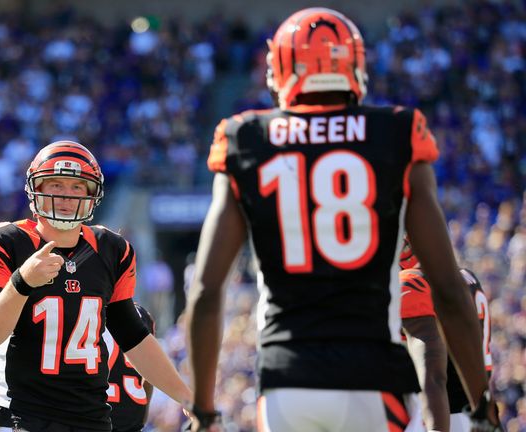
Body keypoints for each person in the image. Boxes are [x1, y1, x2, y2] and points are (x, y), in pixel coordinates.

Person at [184, 7, 501, 432]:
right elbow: (446, 288)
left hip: (287, 378)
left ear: (279, 69)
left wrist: (205, 410)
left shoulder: (245, 138)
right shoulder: (398, 132)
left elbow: (206, 290)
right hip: (372, 375)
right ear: (355, 65)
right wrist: (483, 408)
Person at [0, 141, 191, 431]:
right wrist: (21, 283)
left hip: (90, 419)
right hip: (21, 417)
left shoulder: (113, 249)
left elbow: (133, 337)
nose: (66, 196)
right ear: (36, 188)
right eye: (56, 185)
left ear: (91, 194)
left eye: (77, 187)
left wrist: (187, 398)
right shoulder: (2, 243)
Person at [400, 239, 494, 432]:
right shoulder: (467, 278)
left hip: (440, 415)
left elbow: (432, 373)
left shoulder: (411, 282)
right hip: (476, 412)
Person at [103, 303, 156, 432]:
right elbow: (150, 374)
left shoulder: (83, 308)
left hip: (93, 415)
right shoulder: (143, 314)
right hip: (131, 418)